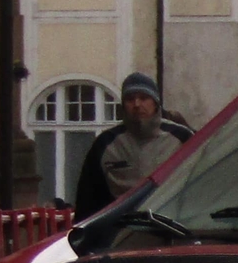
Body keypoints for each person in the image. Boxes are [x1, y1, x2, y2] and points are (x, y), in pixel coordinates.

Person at [73, 72, 191, 218]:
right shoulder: (106, 144)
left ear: (155, 102)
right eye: (130, 99)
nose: (137, 104)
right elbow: (88, 198)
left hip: (172, 227)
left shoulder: (181, 137)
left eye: (143, 98)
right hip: (121, 231)